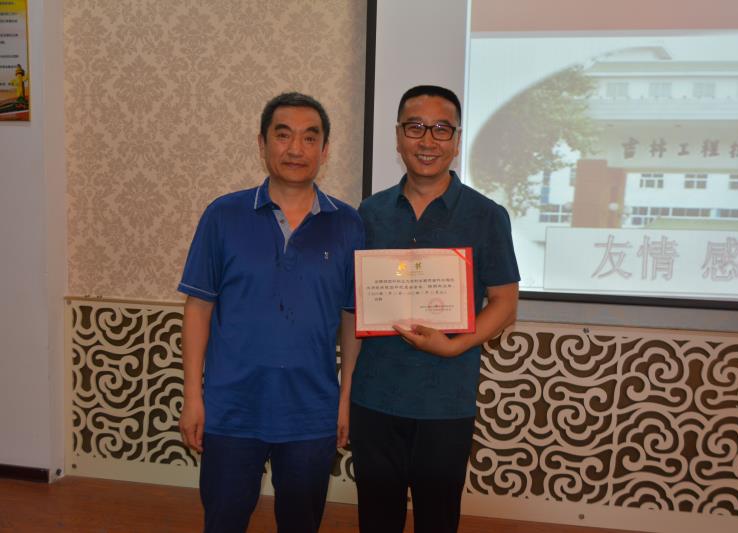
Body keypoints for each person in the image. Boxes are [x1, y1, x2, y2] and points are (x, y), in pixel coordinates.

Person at [177, 92, 364, 533]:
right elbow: (198, 308)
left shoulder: (348, 224)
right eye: (283, 136)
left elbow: (352, 318)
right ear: (262, 143)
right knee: (223, 522)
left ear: (325, 150)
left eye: (309, 138)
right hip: (231, 408)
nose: (296, 149)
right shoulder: (223, 215)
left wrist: (345, 399)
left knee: (301, 524)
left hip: (311, 412)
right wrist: (193, 396)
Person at [346, 85, 520, 533]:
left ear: (457, 140)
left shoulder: (486, 215)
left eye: (442, 129)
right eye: (415, 127)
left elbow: (505, 304)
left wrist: (453, 346)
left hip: (446, 400)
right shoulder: (369, 213)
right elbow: (353, 310)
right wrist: (345, 395)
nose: (428, 140)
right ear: (398, 136)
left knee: (438, 520)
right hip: (374, 397)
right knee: (376, 520)